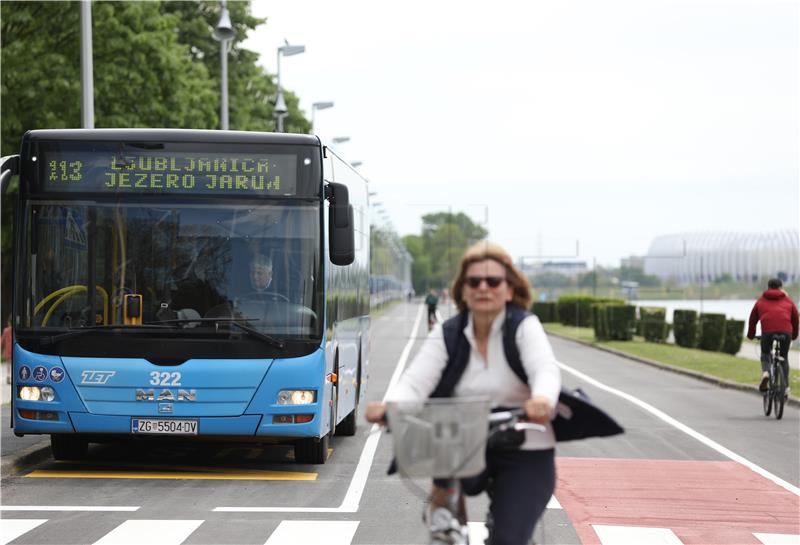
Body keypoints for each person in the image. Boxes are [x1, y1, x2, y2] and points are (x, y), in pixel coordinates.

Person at [366, 241, 561, 545]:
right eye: (474, 281)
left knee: (509, 539)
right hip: (465, 440)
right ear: (464, 290)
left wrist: (542, 399)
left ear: (509, 289)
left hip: (525, 444)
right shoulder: (449, 333)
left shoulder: (524, 326)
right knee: (439, 430)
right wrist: (391, 407)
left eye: (493, 281)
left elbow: (545, 368)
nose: (484, 287)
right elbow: (416, 382)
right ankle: (446, 506)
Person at [747, 278, 798, 395]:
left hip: (768, 332)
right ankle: (785, 387)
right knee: (784, 357)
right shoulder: (788, 301)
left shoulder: (761, 300)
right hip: (786, 332)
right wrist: (794, 335)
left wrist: (751, 335)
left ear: (768, 287)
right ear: (781, 288)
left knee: (765, 352)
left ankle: (766, 372)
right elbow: (795, 320)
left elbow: (752, 319)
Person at [1, 317, 11, 384]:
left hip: (7, 351)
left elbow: (2, 341)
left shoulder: (6, 330)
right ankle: (12, 377)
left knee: (8, 365)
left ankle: (8, 377)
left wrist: (1, 349)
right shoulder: (15, 331)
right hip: (15, 350)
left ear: (8, 322)